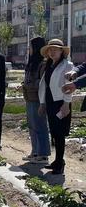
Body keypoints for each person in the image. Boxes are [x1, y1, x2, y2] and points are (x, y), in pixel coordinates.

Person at [38, 39, 74, 175]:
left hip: (61, 102)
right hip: (50, 102)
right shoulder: (49, 65)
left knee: (59, 134)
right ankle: (57, 161)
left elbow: (69, 87)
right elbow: (44, 85)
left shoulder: (67, 65)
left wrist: (66, 104)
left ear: (61, 51)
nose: (52, 52)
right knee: (53, 132)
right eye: (50, 50)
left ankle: (60, 162)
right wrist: (42, 103)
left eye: (55, 49)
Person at [22, 37, 51, 164]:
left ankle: (43, 154)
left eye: (31, 47)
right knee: (32, 125)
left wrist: (28, 85)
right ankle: (35, 151)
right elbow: (29, 79)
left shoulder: (43, 64)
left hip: (38, 99)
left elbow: (42, 83)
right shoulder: (31, 63)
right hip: (29, 98)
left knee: (40, 125)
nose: (29, 49)